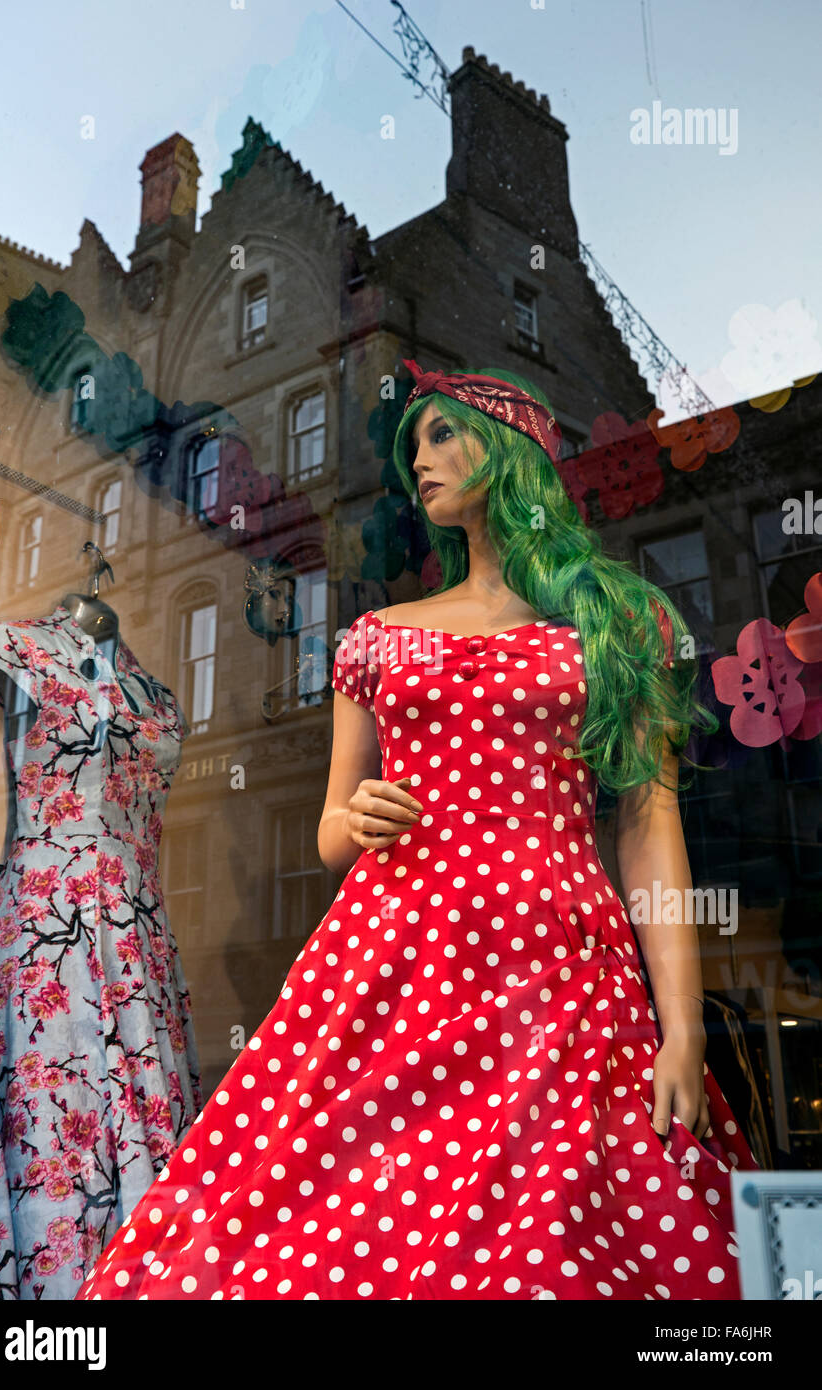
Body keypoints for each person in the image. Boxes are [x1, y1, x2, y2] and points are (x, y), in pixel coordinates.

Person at [77, 362, 758, 1302]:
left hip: (555, 967)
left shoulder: (609, 622)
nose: (420, 463)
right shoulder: (380, 637)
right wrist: (353, 820)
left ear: (513, 451)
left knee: (549, 1234)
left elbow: (648, 822)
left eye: (443, 436)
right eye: (414, 446)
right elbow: (328, 830)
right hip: (394, 961)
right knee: (329, 1219)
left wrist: (681, 1025)